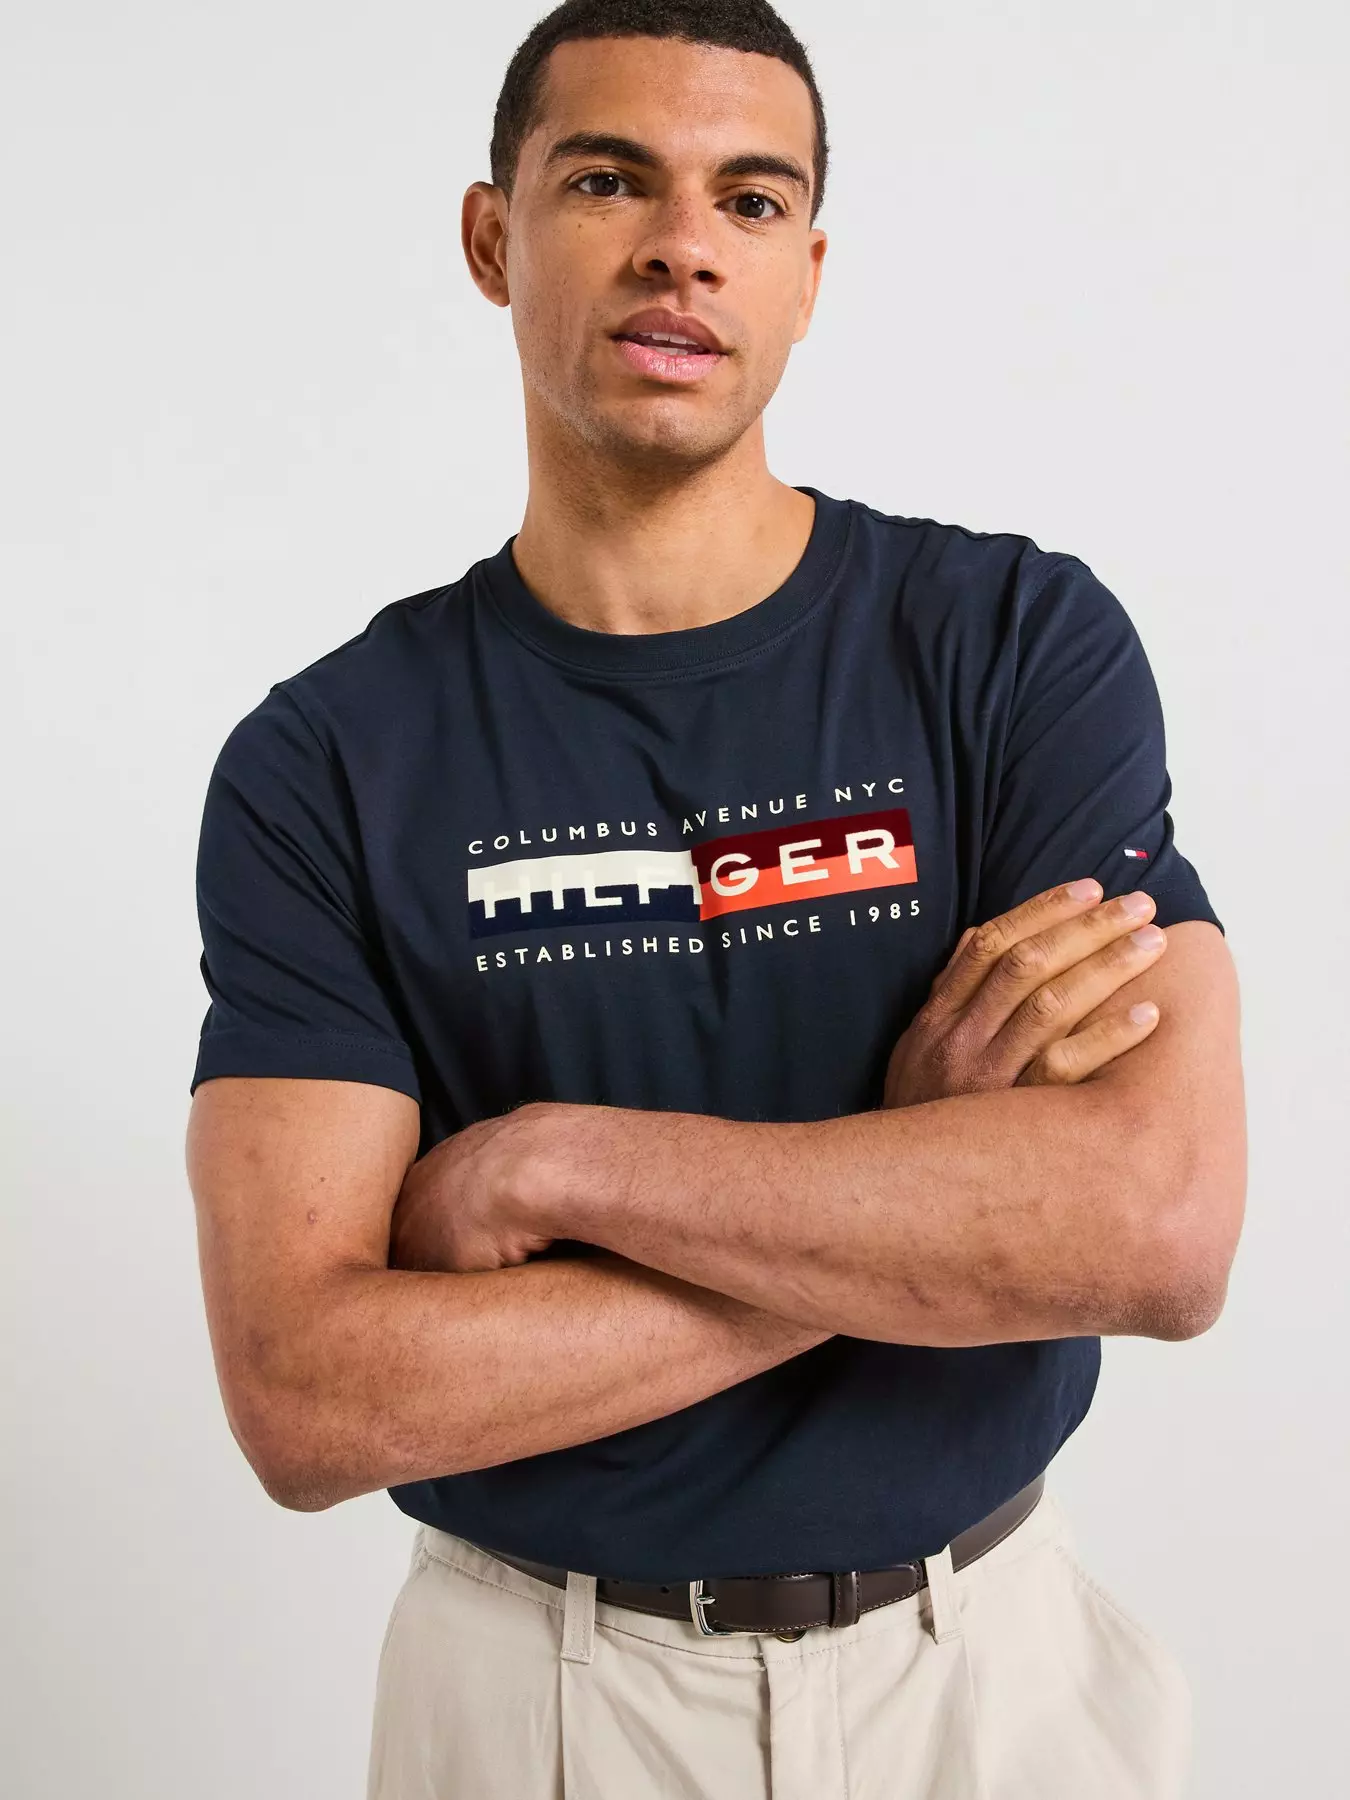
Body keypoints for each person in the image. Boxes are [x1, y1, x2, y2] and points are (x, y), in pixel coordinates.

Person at [184, 2, 1246, 1795]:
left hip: (982, 1675)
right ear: (491, 238)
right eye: (608, 180)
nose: (683, 244)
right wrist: (912, 1192)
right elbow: (310, 1395)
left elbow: (1153, 1231)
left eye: (750, 202)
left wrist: (554, 1167)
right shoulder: (329, 760)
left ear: (806, 272)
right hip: (540, 1695)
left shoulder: (1008, 645)